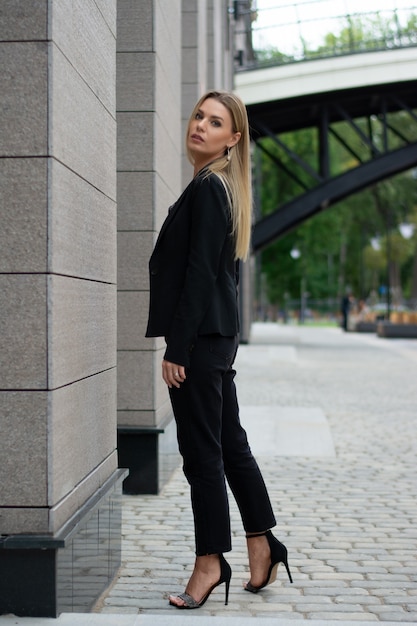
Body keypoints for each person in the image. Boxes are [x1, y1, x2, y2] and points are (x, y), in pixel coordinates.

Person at [146, 90, 292, 610]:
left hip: (201, 341)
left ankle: (210, 562)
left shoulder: (210, 188)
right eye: (198, 117)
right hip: (215, 337)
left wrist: (177, 346)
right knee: (230, 445)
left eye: (214, 122)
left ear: (233, 139)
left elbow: (201, 274)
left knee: (202, 455)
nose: (200, 126)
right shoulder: (217, 186)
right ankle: (263, 543)